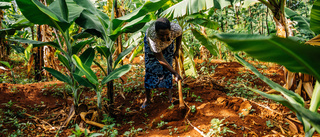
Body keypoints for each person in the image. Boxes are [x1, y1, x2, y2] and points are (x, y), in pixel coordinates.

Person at [142, 18, 182, 109]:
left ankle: (170, 97)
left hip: (169, 44)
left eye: (166, 34)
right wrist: (175, 73)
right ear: (156, 32)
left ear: (170, 31)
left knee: (168, 67)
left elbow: (179, 35)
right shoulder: (152, 36)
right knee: (150, 68)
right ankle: (147, 99)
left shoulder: (176, 29)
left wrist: (177, 50)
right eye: (161, 35)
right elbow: (160, 58)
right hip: (153, 47)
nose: (164, 37)